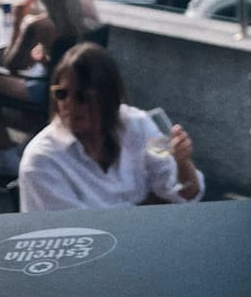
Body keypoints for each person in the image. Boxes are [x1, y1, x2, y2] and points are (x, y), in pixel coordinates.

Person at [18, 42, 204, 212]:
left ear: (107, 96)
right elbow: (82, 231)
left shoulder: (136, 124)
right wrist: (149, 204)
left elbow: (183, 194)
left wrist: (183, 163)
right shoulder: (42, 160)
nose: (69, 104)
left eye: (82, 96)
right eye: (61, 94)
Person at [0, 0, 100, 138]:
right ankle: (31, 136)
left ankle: (4, 146)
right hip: (88, 84)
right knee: (33, 68)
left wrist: (17, 22)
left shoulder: (38, 25)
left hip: (51, 90)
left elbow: (12, 64)